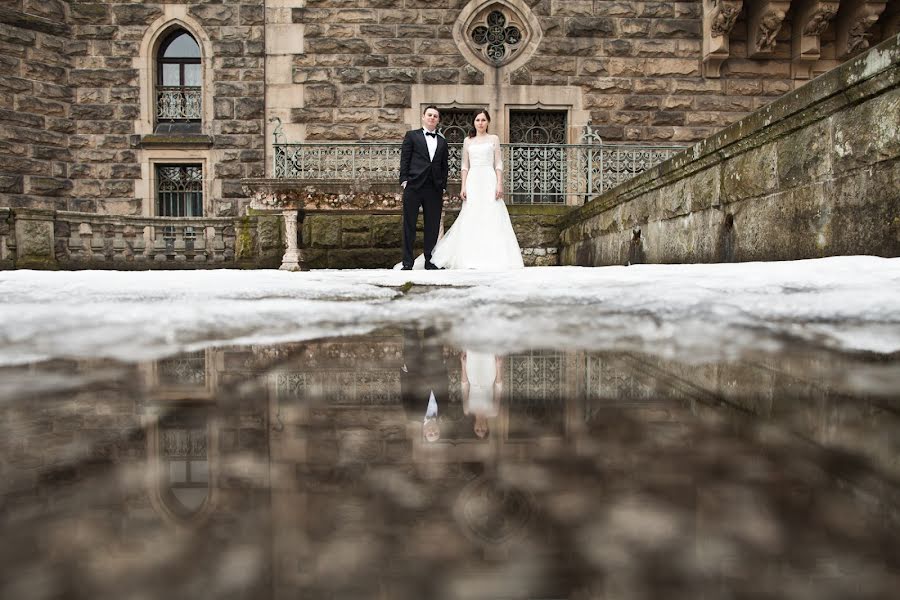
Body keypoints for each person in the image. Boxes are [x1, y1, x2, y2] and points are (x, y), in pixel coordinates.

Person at [430, 109, 524, 270]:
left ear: (488, 122)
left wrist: (499, 183)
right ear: (474, 123)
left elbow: (499, 163)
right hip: (473, 180)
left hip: (489, 178)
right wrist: (463, 186)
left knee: (492, 213)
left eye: (483, 120)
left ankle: (494, 257)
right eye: (477, 120)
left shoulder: (494, 139)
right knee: (472, 214)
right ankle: (469, 256)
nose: (480, 123)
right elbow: (465, 165)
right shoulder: (468, 140)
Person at [399, 105, 450, 271]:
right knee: (409, 225)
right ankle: (407, 262)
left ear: (438, 120)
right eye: (429, 115)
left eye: (435, 116)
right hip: (413, 185)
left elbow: (444, 166)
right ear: (423, 117)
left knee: (432, 225)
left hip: (434, 188)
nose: (432, 118)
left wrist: (442, 185)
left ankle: (429, 260)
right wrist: (404, 180)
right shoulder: (412, 136)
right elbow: (405, 159)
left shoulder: (442, 141)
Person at [400, 327, 449, 442]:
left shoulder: (412, 415)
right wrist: (443, 367)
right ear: (439, 429)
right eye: (436, 433)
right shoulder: (444, 410)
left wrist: (405, 372)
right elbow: (446, 387)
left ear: (424, 433)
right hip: (435, 365)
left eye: (430, 435)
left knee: (410, 334)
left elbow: (405, 393)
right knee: (432, 334)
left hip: (414, 368)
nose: (432, 431)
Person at [461, 350, 503, 439]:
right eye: (483, 430)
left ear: (473, 427)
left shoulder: (467, 410)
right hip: (489, 375)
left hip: (472, 375)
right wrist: (498, 366)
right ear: (487, 428)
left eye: (477, 430)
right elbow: (498, 389)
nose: (480, 428)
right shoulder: (494, 412)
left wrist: (463, 365)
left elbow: (464, 387)